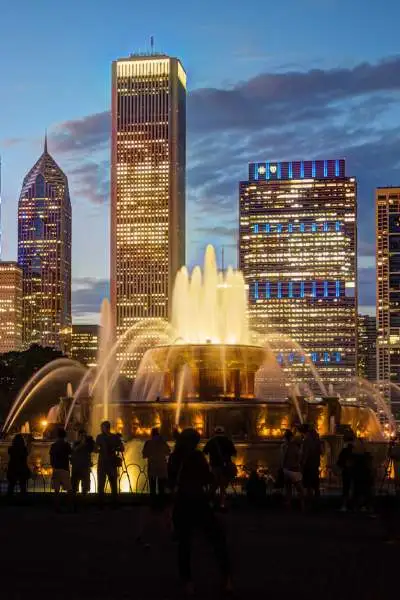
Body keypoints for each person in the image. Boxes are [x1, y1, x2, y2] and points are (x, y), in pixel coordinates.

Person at [169, 428, 232, 596]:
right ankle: (226, 578)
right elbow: (206, 478)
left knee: (184, 544)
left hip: (182, 503)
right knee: (217, 539)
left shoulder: (175, 457)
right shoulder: (197, 457)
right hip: (199, 501)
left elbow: (170, 479)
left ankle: (187, 581)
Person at [203, 426, 237, 509]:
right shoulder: (228, 441)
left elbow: (205, 452)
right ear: (223, 432)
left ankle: (210, 502)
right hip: (225, 466)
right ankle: (222, 503)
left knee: (214, 484)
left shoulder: (211, 441)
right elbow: (234, 453)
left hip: (214, 466)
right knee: (223, 485)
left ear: (214, 433)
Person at [95, 420, 124, 504]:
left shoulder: (100, 437)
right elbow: (122, 448)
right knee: (112, 484)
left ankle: (101, 503)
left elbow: (96, 449)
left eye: (102, 427)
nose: (101, 429)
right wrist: (116, 448)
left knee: (102, 484)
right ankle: (113, 502)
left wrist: (99, 450)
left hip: (104, 464)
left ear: (106, 428)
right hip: (110, 463)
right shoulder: (114, 437)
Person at [143, 427, 170, 506]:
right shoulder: (162, 442)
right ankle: (161, 504)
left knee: (152, 487)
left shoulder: (148, 443)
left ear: (151, 434)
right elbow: (168, 452)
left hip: (152, 467)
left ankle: (153, 504)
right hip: (162, 467)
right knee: (161, 487)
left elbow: (144, 455)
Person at [281, 429, 305, 510]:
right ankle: (302, 505)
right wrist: (298, 464)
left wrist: (283, 467)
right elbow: (300, 456)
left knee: (288, 489)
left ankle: (289, 504)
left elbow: (283, 458)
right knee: (300, 489)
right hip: (294, 470)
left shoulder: (285, 446)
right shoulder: (294, 446)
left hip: (286, 470)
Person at [50, 428, 73, 507]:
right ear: (65, 436)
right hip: (64, 469)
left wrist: (53, 465)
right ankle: (70, 506)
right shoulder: (66, 445)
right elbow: (71, 454)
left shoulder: (54, 445)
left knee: (56, 490)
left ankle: (57, 507)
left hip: (56, 469)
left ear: (57, 436)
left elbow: (51, 457)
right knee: (69, 489)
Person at [301, 425, 323, 500]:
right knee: (315, 483)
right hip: (316, 463)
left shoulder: (307, 440)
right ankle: (317, 499)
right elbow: (321, 452)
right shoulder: (317, 440)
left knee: (308, 483)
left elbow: (306, 453)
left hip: (309, 464)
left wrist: (303, 463)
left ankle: (309, 499)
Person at [71, 430, 94, 495]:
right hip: (76, 467)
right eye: (82, 436)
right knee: (74, 487)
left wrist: (91, 441)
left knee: (85, 487)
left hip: (85, 467)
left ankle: (84, 500)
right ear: (79, 436)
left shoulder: (88, 444)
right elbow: (74, 450)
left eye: (85, 436)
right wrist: (82, 444)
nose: (84, 437)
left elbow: (95, 450)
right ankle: (74, 502)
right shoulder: (75, 443)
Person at [7, 434, 30, 498]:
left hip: (13, 467)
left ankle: (9, 498)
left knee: (11, 484)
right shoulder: (24, 449)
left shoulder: (11, 449)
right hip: (22, 468)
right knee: (22, 484)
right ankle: (23, 497)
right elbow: (25, 457)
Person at [337, 442, 354, 511]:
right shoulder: (354, 452)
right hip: (350, 472)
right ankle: (351, 505)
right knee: (350, 488)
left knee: (346, 489)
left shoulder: (344, 451)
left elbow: (339, 462)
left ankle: (344, 505)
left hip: (347, 472)